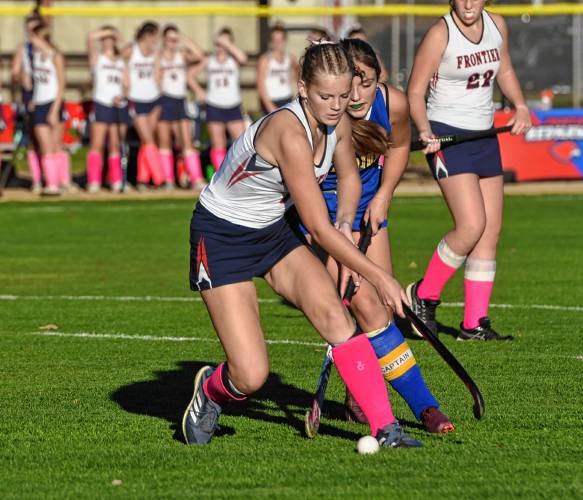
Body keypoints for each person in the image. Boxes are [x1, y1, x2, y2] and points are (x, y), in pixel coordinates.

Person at [182, 42, 420, 449]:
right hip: (223, 237)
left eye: (344, 96)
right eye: (326, 97)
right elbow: (315, 226)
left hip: (272, 230)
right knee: (250, 376)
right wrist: (380, 277)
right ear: (302, 88)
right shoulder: (289, 133)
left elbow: (348, 178)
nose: (336, 105)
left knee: (336, 317)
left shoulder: (338, 122)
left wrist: (346, 223)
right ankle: (210, 392)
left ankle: (387, 429)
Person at [309, 38, 454, 433]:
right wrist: (341, 235)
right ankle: (422, 405)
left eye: (366, 82)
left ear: (379, 78)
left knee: (383, 311)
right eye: (349, 83)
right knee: (364, 304)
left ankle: (361, 396)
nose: (356, 96)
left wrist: (386, 194)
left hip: (370, 211)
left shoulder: (393, 103)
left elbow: (401, 144)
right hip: (322, 217)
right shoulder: (323, 116)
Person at [405, 0, 532, 340]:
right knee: (471, 225)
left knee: (489, 231)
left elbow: (504, 70)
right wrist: (423, 130)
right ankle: (423, 295)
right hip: (447, 136)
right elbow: (415, 91)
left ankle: (474, 323)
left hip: (484, 134)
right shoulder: (440, 33)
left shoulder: (497, 25)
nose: (468, 3)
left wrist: (520, 106)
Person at [188, 27, 248, 179]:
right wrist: (199, 91)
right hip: (214, 105)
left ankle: (243, 176)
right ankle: (223, 177)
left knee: (243, 144)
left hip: (233, 105)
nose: (220, 46)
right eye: (218, 43)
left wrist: (227, 44)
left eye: (224, 43)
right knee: (218, 145)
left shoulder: (233, 60)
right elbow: (189, 76)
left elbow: (243, 59)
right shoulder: (210, 60)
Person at [156, 24, 206, 190]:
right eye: (169, 39)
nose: (172, 42)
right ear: (163, 39)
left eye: (174, 39)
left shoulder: (181, 55)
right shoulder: (158, 56)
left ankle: (196, 178)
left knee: (186, 141)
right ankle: (168, 180)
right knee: (164, 142)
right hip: (164, 100)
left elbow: (199, 56)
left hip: (179, 100)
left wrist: (185, 40)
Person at [27, 20, 73, 196]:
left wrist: (55, 110)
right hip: (39, 103)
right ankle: (52, 184)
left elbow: (61, 85)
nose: (32, 40)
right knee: (45, 146)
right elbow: (39, 82)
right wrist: (33, 99)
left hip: (53, 103)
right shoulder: (36, 56)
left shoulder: (56, 56)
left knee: (56, 146)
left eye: (34, 37)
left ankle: (63, 181)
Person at [122, 21, 163, 190]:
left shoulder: (155, 53)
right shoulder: (131, 50)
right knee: (147, 139)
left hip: (153, 97)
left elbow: (157, 72)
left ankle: (142, 179)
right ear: (147, 35)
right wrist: (125, 85)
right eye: (155, 36)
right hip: (136, 98)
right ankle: (159, 177)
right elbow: (117, 63)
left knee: (148, 141)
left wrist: (160, 88)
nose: (156, 40)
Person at [86, 26, 128, 193]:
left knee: (115, 145)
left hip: (116, 106)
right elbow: (90, 37)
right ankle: (93, 180)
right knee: (97, 144)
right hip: (101, 103)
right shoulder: (98, 57)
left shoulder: (120, 61)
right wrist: (107, 32)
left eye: (110, 38)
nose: (107, 41)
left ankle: (116, 180)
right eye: (104, 39)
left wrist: (122, 95)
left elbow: (126, 84)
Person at [11, 11, 45, 194]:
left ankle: (53, 177)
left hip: (47, 95)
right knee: (33, 139)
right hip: (30, 95)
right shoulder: (23, 49)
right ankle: (37, 179)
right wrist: (19, 76)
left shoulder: (47, 47)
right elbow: (14, 73)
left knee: (48, 139)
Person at [256, 24, 299, 114]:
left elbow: (298, 76)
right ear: (271, 41)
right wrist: (270, 106)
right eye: (274, 39)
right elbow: (260, 86)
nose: (278, 42)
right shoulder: (265, 59)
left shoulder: (290, 58)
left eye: (280, 39)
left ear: (285, 40)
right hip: (271, 101)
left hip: (287, 99)